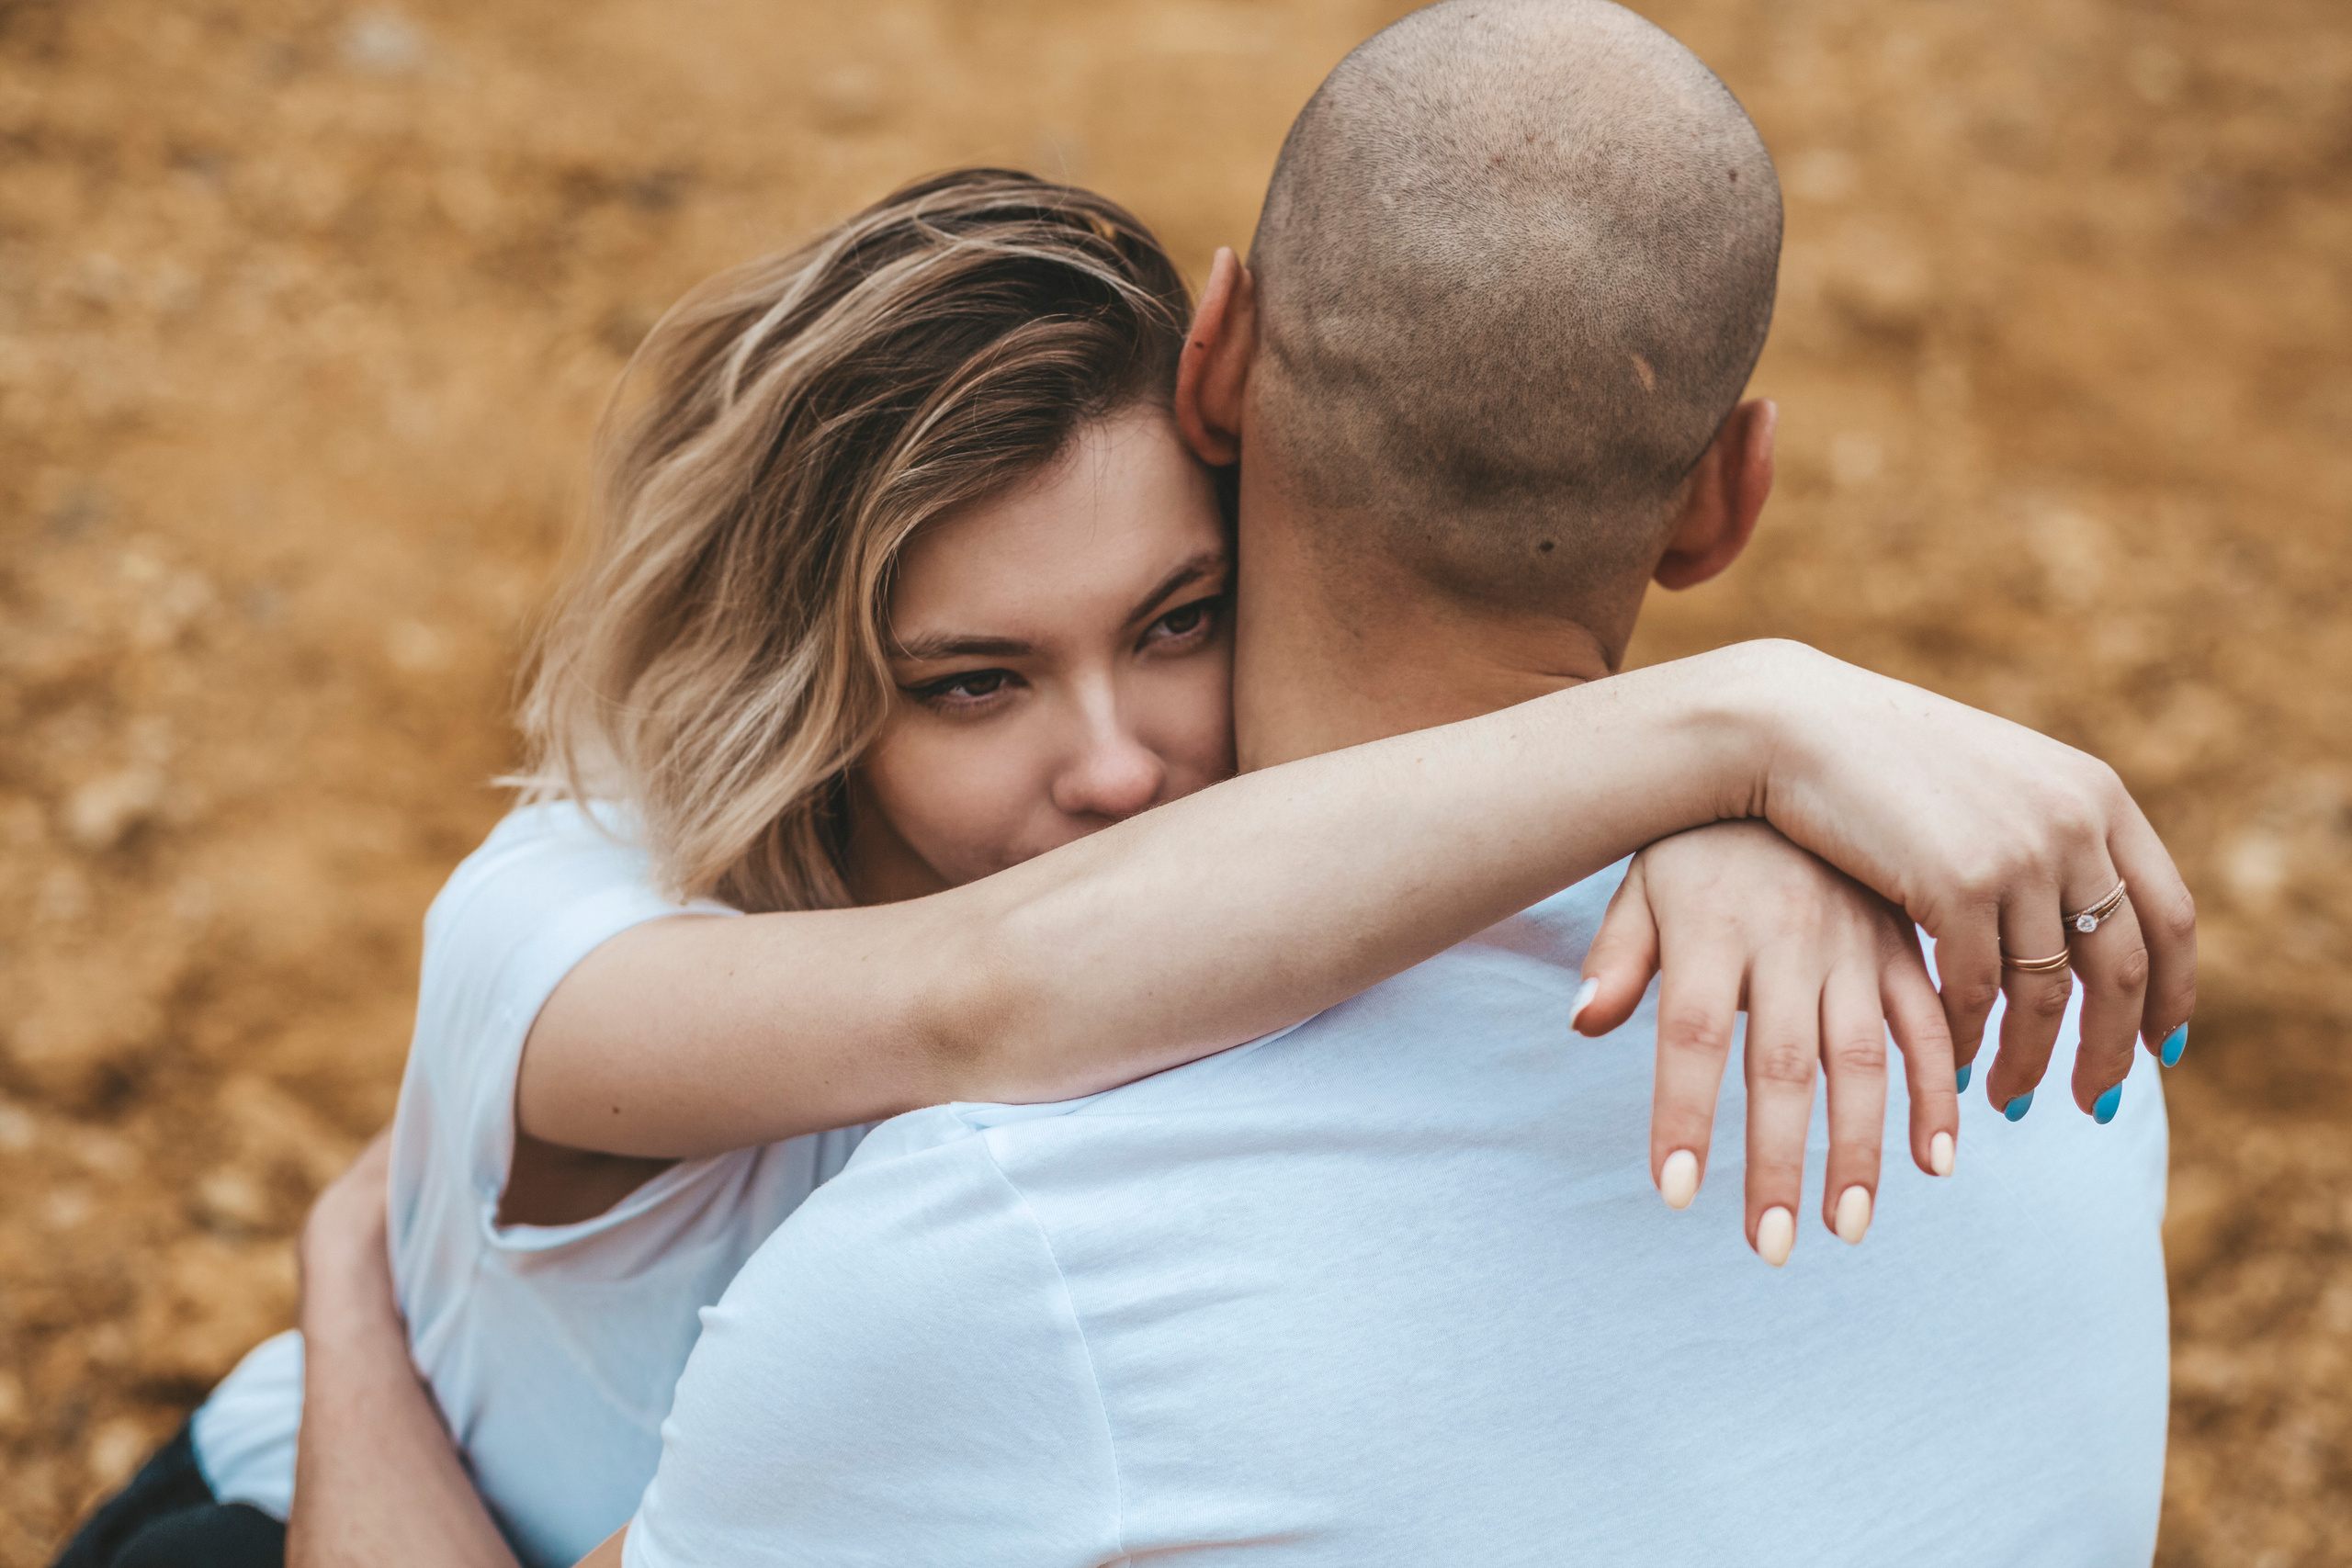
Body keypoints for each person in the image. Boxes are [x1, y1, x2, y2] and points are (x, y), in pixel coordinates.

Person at [81, 51, 2183, 1568]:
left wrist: (1718, 812)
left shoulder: (1210, 919)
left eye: (1182, 615)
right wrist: (1723, 726)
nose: (1111, 760)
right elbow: (985, 995)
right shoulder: (557, 928)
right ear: (1725, 494)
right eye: (968, 681)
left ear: (1223, 375)